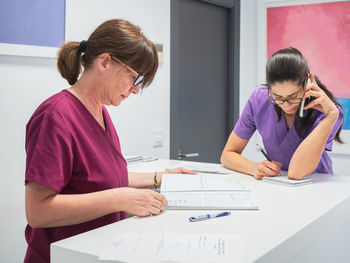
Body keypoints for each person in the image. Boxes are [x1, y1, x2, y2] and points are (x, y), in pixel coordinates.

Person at [24, 19, 194, 263]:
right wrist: (120, 199)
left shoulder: (100, 112)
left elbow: (101, 178)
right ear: (104, 62)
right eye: (136, 79)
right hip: (62, 256)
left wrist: (159, 178)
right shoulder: (55, 116)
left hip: (99, 251)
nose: (136, 90)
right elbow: (38, 211)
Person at [221, 47, 344, 180]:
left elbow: (296, 173)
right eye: (278, 97)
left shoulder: (329, 112)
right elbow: (227, 155)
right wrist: (254, 168)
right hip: (277, 183)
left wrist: (331, 115)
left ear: (307, 82)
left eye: (293, 96)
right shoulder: (259, 99)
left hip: (315, 183)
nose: (286, 104)